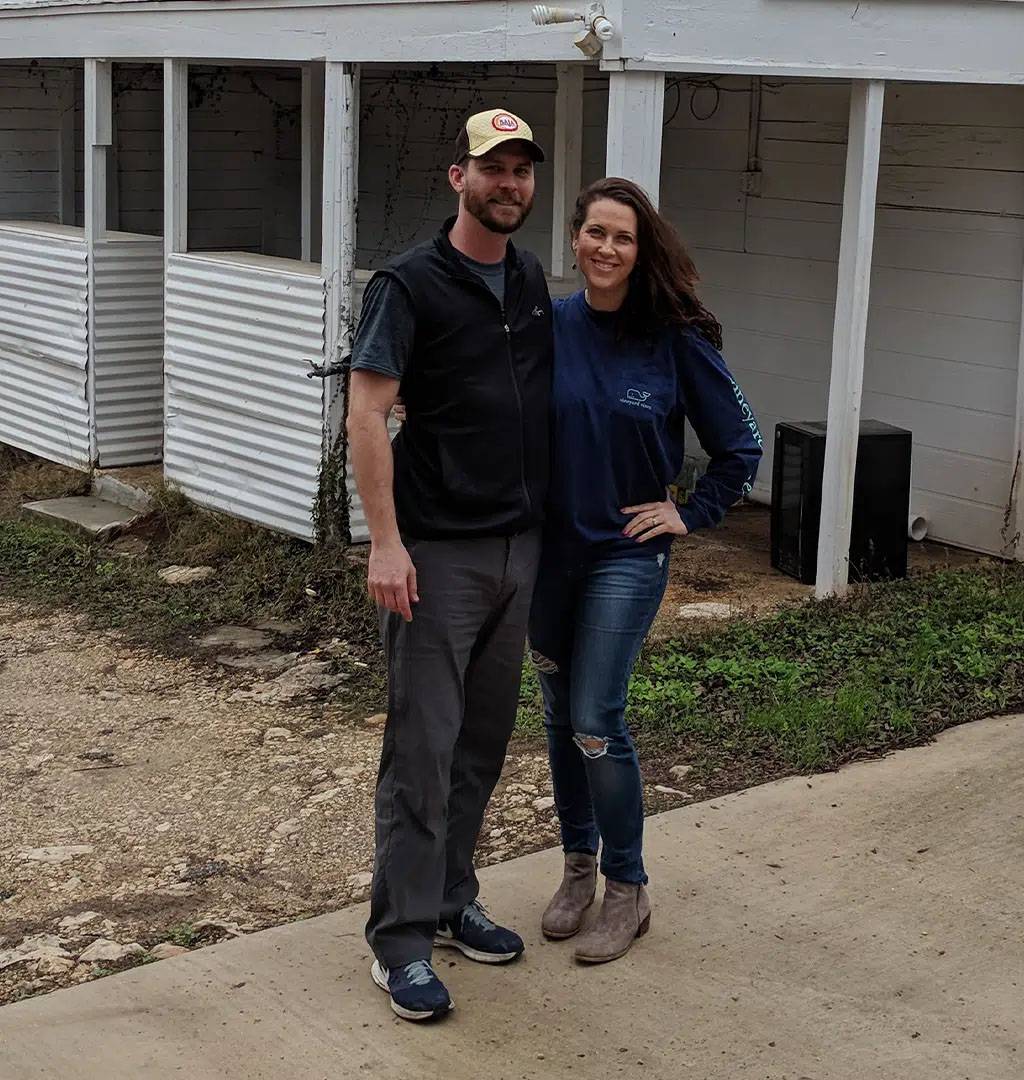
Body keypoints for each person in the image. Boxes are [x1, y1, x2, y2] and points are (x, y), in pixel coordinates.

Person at [346, 108, 553, 1022]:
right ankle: (398, 943)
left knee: (480, 745)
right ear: (455, 177)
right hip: (437, 557)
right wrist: (386, 542)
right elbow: (367, 412)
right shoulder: (410, 284)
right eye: (493, 167)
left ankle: (449, 898)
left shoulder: (532, 278)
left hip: (519, 549)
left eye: (522, 170)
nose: (509, 184)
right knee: (422, 754)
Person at [529, 177, 764, 964]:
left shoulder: (673, 338)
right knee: (559, 712)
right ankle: (575, 868)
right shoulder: (548, 326)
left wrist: (688, 513)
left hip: (625, 554)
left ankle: (627, 888)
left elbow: (741, 446)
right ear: (575, 239)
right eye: (595, 232)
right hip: (548, 556)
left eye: (623, 237)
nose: (606, 248)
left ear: (641, 249)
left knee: (596, 718)